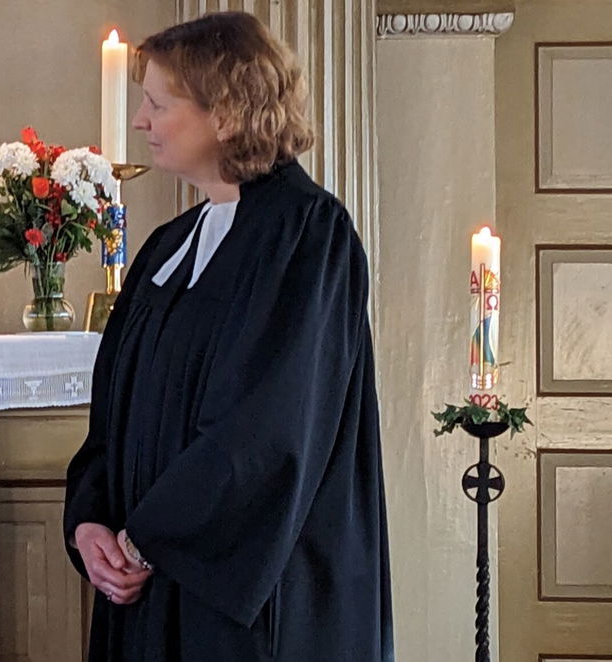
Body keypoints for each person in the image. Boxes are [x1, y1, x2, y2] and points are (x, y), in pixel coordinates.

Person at [63, 12, 392, 661]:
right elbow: (113, 415)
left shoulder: (306, 235)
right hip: (147, 586)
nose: (140, 121)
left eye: (158, 103)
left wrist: (146, 540)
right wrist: (90, 521)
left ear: (228, 112)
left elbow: (268, 428)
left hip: (251, 603)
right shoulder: (168, 246)